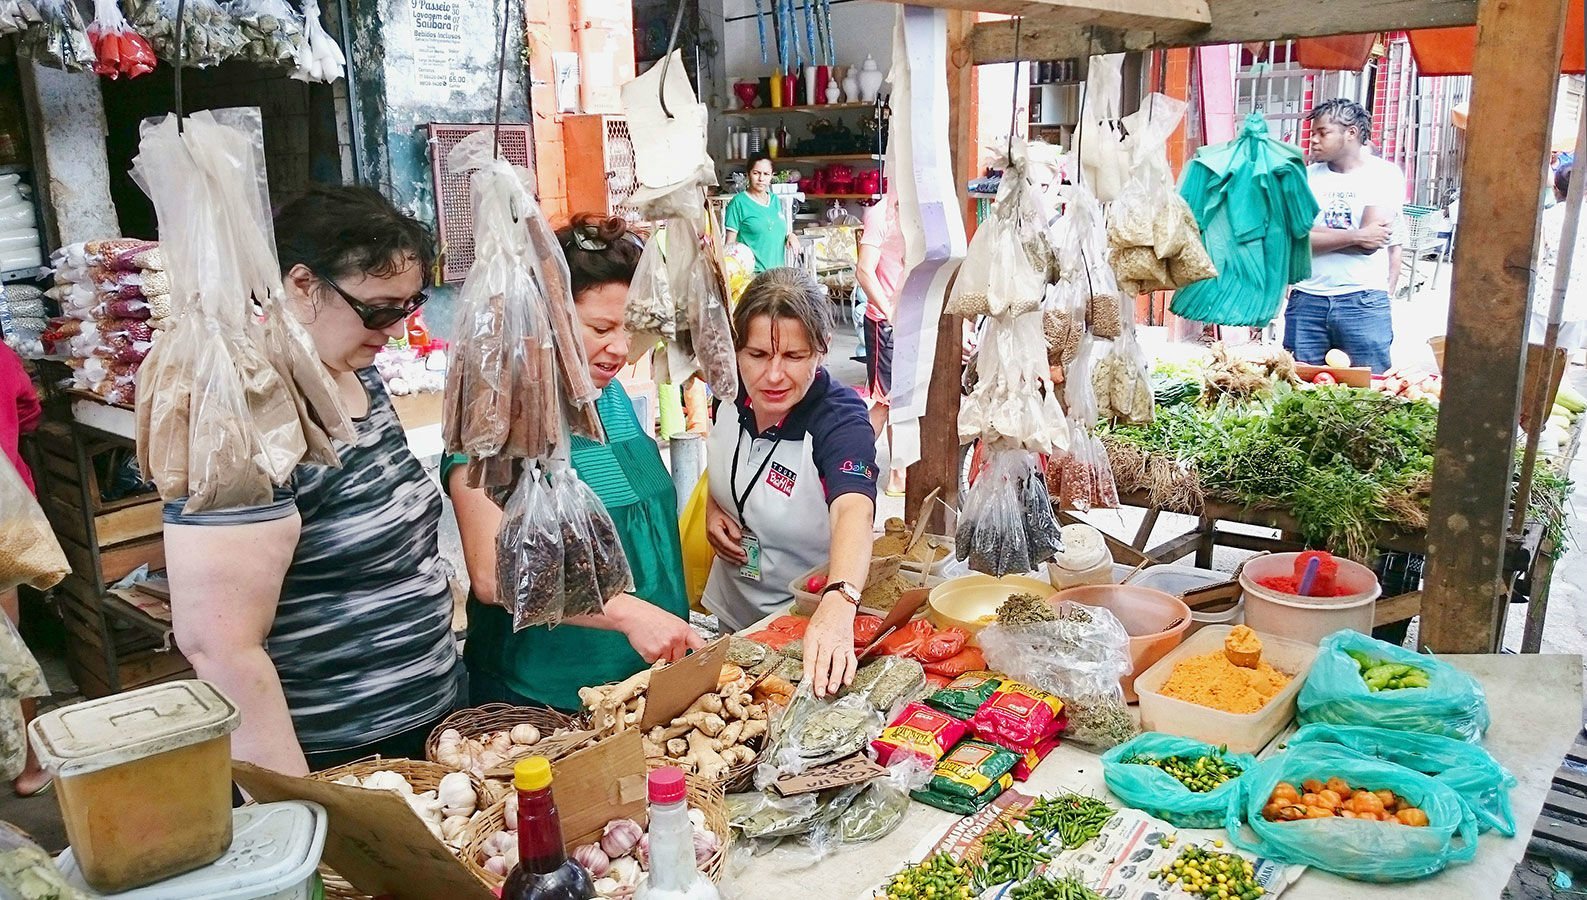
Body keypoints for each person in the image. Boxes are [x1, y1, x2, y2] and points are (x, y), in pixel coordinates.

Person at [164, 185, 459, 775]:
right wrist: (296, 806)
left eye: (408, 307)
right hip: (334, 746)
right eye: (378, 309)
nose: (396, 330)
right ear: (302, 285)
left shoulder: (358, 378)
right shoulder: (249, 418)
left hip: (432, 715)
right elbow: (219, 645)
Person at [445, 213, 702, 711]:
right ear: (548, 319)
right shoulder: (497, 415)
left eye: (629, 328)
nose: (621, 350)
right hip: (544, 698)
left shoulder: (610, 397)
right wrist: (626, 615)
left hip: (641, 683)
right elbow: (492, 573)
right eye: (601, 328)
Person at [702, 268, 878, 698]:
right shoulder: (727, 393)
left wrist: (840, 599)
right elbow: (727, 459)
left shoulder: (839, 421)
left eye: (794, 357)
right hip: (731, 610)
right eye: (758, 355)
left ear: (822, 350)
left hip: (803, 629)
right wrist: (713, 506)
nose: (774, 376)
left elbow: (854, 507)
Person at [1284, 98, 1406, 373]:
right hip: (1306, 299)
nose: (1313, 140)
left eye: (1322, 133)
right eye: (1312, 133)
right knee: (1298, 393)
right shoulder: (1305, 177)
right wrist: (1356, 235)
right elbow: (1295, 240)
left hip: (1362, 301)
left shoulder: (1384, 175)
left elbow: (1371, 244)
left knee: (1368, 394)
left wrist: (1314, 235)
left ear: (1350, 132)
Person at [0, 342, 45, 796]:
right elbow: (28, 412)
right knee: (10, 646)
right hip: (4, 514)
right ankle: (29, 768)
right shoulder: (1, 356)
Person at [855, 194, 907, 496]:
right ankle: (847, 456)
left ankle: (898, 474)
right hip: (884, 322)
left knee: (899, 402)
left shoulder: (915, 210)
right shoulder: (879, 214)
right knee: (886, 403)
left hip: (908, 319)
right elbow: (864, 270)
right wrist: (889, 311)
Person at [1533, 163, 1587, 349]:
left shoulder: (1546, 218)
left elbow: (1537, 261)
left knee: (1534, 364)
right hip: (1578, 302)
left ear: (1556, 190)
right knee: (1562, 368)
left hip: (1543, 299)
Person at [724, 156, 798, 273]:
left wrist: (790, 236)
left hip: (777, 276)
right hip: (752, 279)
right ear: (748, 174)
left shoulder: (775, 200)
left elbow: (775, 232)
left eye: (766, 174)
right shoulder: (738, 203)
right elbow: (729, 247)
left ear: (772, 176)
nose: (761, 178)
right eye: (756, 173)